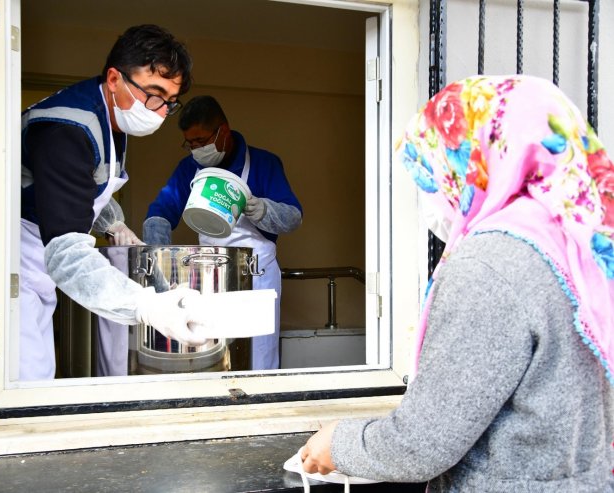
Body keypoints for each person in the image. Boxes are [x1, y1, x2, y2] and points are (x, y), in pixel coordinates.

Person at [300, 75, 614, 490]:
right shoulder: (584, 243)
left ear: (474, 162)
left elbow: (420, 445)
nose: (431, 197)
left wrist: (337, 442)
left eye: (432, 176)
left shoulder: (490, 265)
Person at [19, 24, 207, 381]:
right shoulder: (66, 130)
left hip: (39, 262)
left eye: (169, 101)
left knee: (39, 370)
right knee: (27, 375)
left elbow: (80, 184)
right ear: (114, 78)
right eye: (153, 94)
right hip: (17, 257)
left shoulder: (112, 120)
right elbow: (66, 256)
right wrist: (146, 306)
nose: (160, 111)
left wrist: (112, 223)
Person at [142, 95, 303, 370]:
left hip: (257, 275)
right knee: (214, 356)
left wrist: (261, 209)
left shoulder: (264, 164)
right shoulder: (188, 169)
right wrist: (158, 266)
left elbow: (293, 218)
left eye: (201, 141)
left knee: (259, 354)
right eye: (189, 143)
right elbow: (160, 213)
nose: (195, 149)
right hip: (209, 275)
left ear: (223, 132)